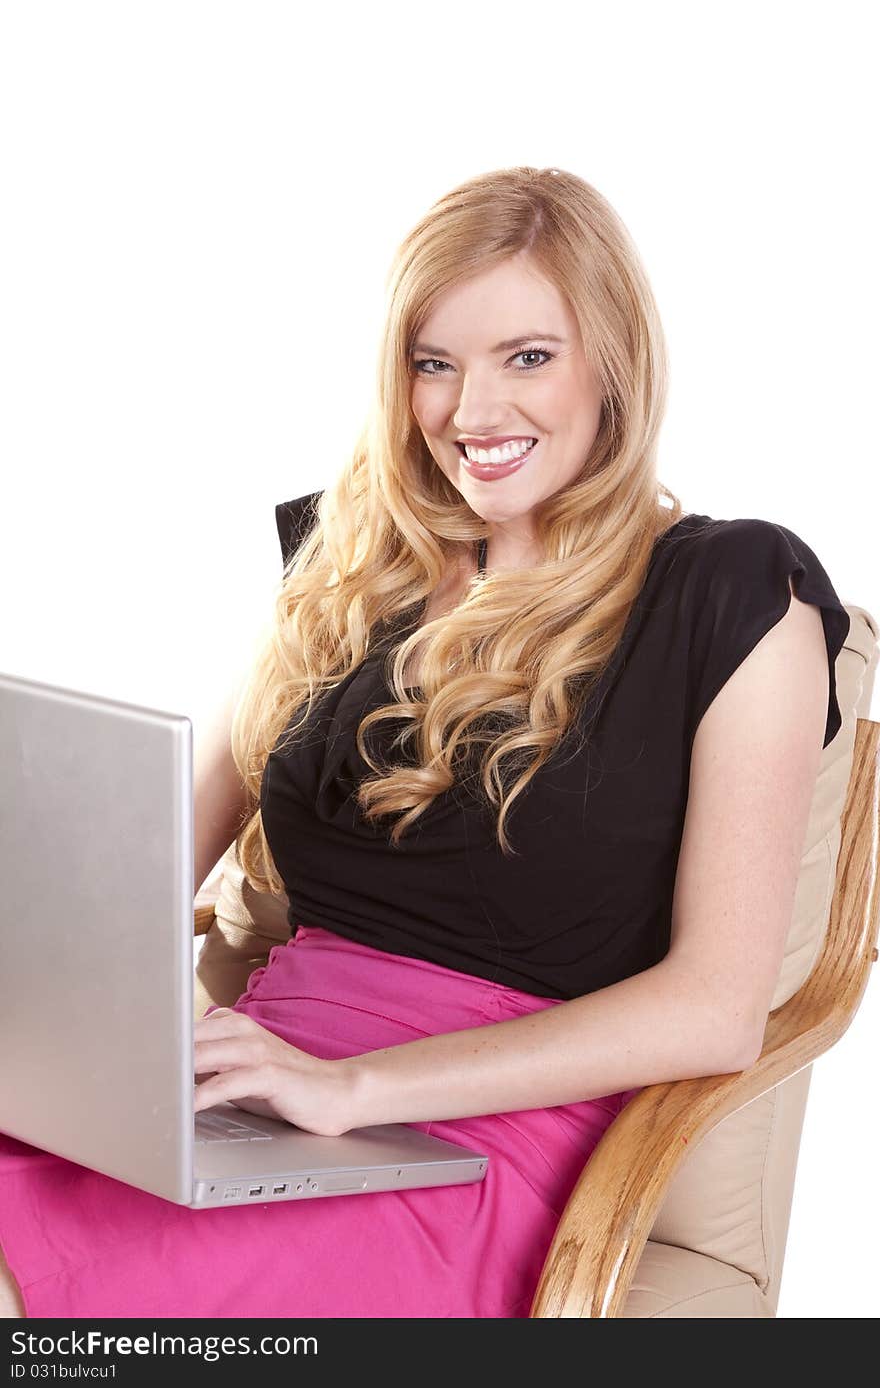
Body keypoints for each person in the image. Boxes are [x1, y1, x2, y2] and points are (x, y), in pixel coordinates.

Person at [0, 166, 850, 1319]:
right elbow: (153, 849)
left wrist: (350, 1087)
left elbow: (714, 1006)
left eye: (528, 356)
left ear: (615, 361)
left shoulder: (736, 594)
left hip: (470, 1137)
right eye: (433, 362)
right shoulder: (354, 557)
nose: (470, 412)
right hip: (255, 1086)